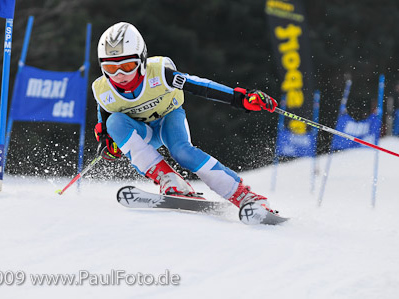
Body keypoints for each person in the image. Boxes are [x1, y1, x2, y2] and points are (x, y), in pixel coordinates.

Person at [91, 22, 278, 217]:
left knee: (181, 151)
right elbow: (105, 121)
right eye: (111, 68)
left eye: (127, 66)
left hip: (168, 120)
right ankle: (170, 179)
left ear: (142, 60)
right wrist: (108, 141)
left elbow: (200, 86)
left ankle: (245, 196)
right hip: (142, 131)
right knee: (115, 122)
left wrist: (240, 98)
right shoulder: (102, 90)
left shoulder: (161, 73)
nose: (120, 75)